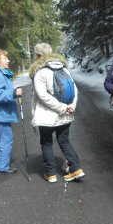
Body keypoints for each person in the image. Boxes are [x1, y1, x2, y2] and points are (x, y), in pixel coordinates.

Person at [29, 43, 85, 183]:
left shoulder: (40, 72)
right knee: (64, 140)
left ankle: (51, 174)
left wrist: (61, 107)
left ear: (39, 56)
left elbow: (42, 96)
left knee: (46, 143)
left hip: (47, 115)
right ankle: (75, 168)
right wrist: (70, 106)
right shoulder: (64, 69)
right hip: (65, 115)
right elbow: (74, 90)